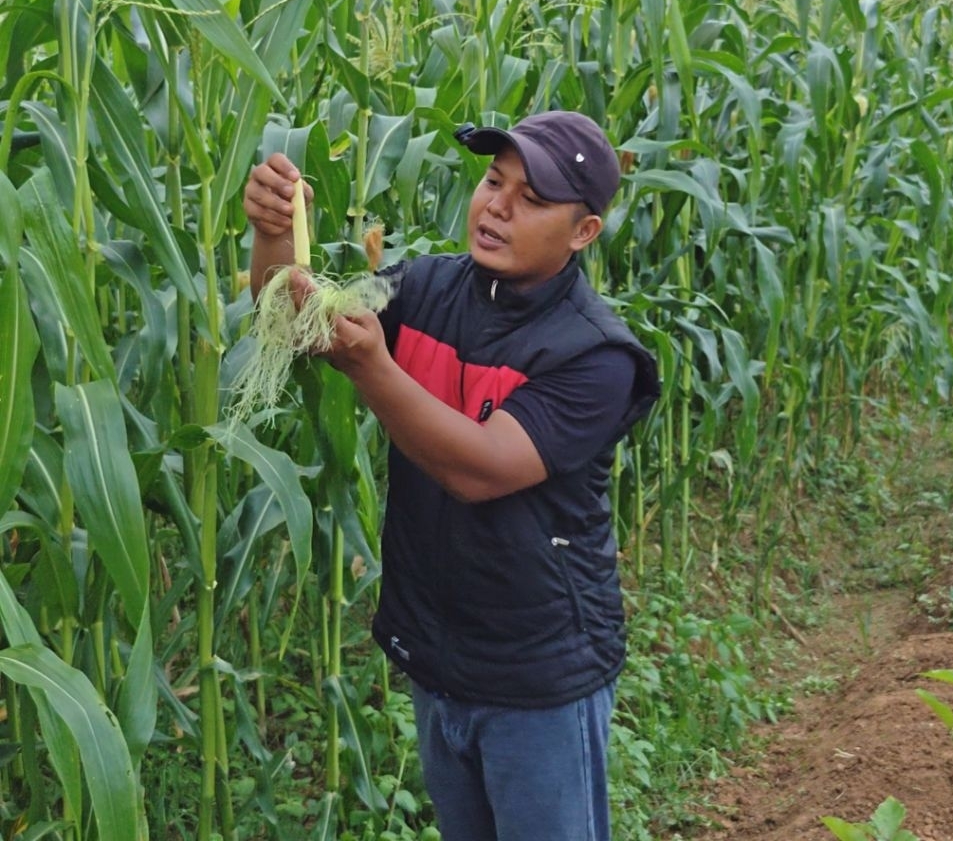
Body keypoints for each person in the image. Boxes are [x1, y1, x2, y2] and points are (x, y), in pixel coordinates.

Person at [243, 110, 660, 841]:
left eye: (532, 199)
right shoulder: (427, 287)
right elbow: (296, 327)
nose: (497, 206)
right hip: (439, 658)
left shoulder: (597, 357)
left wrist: (373, 368)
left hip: (537, 676)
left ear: (584, 232)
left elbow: (480, 469)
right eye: (493, 182)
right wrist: (275, 235)